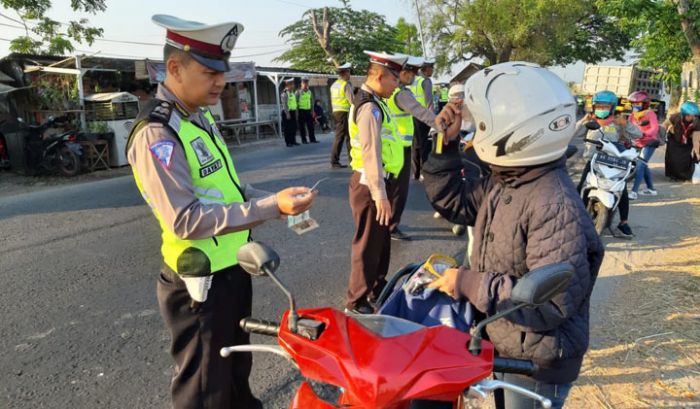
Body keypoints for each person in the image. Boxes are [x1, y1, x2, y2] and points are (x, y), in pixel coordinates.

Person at [126, 15, 316, 409]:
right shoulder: (158, 133)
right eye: (209, 71)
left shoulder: (200, 117)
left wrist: (278, 201)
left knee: (233, 376)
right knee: (204, 390)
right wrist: (269, 207)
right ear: (175, 68)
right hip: (198, 283)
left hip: (230, 269)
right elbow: (186, 219)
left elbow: (230, 189)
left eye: (222, 71)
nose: (220, 82)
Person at [424, 61, 605, 409]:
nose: (476, 136)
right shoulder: (511, 179)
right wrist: (443, 147)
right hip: (510, 339)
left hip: (538, 359)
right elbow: (456, 203)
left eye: (484, 127)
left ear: (514, 130)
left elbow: (549, 303)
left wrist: (467, 283)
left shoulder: (552, 202)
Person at [345, 51, 407, 314]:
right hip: (370, 185)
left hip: (380, 183)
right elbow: (370, 153)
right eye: (395, 79)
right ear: (380, 75)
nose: (397, 85)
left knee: (380, 242)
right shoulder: (369, 108)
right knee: (368, 243)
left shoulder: (377, 103)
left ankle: (376, 290)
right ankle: (356, 301)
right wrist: (380, 194)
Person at [574, 90, 642, 239]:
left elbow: (638, 135)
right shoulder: (590, 121)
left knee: (622, 191)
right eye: (598, 106)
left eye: (605, 106)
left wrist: (626, 124)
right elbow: (573, 134)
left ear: (612, 107)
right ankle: (575, 218)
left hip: (615, 163)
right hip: (593, 162)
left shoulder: (618, 122)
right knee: (581, 187)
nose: (601, 109)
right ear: (593, 106)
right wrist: (583, 121)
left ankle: (623, 223)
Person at [385, 55, 437, 241]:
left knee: (389, 188)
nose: (414, 76)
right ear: (403, 72)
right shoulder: (401, 93)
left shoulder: (388, 91)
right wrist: (441, 125)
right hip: (400, 147)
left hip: (389, 147)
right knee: (400, 190)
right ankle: (392, 226)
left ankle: (385, 223)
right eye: (412, 72)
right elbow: (421, 111)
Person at [627, 91, 659, 199]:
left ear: (644, 104)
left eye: (638, 104)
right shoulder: (632, 116)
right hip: (637, 143)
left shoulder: (650, 114)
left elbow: (654, 129)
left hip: (649, 143)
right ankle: (651, 189)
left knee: (640, 165)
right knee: (643, 165)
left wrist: (642, 134)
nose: (635, 106)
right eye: (633, 104)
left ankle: (634, 192)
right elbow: (628, 128)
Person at [408, 58, 435, 180]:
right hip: (423, 118)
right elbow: (429, 103)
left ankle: (416, 172)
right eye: (431, 68)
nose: (433, 70)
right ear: (426, 69)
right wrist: (433, 121)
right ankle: (424, 172)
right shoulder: (425, 81)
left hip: (412, 117)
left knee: (415, 145)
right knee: (425, 145)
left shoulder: (413, 81)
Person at [664, 101, 700, 181]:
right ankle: (672, 175)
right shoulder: (676, 117)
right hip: (674, 138)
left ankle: (683, 176)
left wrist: (697, 153)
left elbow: (696, 140)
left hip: (687, 141)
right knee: (672, 159)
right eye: (692, 115)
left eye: (695, 115)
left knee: (684, 160)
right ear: (685, 115)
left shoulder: (697, 122)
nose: (694, 117)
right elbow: (665, 124)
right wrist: (663, 135)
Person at [330, 63, 354, 168]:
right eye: (349, 72)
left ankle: (350, 159)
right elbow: (352, 100)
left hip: (336, 112)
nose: (350, 75)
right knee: (344, 137)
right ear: (345, 73)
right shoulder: (345, 84)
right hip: (344, 112)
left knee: (345, 136)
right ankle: (335, 161)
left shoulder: (334, 84)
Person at [296, 77, 318, 144]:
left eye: (306, 82)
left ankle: (312, 139)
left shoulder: (309, 92)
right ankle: (304, 140)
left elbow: (311, 102)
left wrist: (313, 111)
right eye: (304, 83)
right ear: (301, 84)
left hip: (308, 111)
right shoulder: (298, 92)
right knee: (302, 126)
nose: (305, 84)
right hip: (301, 111)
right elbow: (296, 103)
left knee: (310, 126)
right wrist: (296, 113)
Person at [281, 78, 299, 147]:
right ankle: (288, 142)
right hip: (287, 112)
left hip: (293, 111)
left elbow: (295, 103)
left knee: (293, 127)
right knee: (287, 128)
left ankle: (293, 141)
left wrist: (296, 112)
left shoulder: (292, 93)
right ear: (288, 85)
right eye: (292, 84)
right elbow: (284, 104)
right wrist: (287, 113)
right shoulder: (284, 93)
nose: (293, 85)